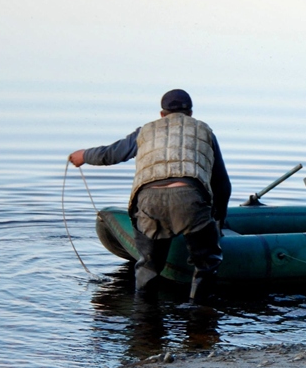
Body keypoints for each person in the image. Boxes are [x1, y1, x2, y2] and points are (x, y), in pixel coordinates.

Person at [69, 89, 231, 303]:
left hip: (148, 201)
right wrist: (217, 218)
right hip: (190, 199)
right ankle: (199, 318)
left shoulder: (145, 131)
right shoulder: (204, 131)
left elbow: (112, 154)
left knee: (148, 267)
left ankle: (145, 323)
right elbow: (222, 184)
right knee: (206, 264)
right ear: (190, 113)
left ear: (161, 114)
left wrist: (83, 156)